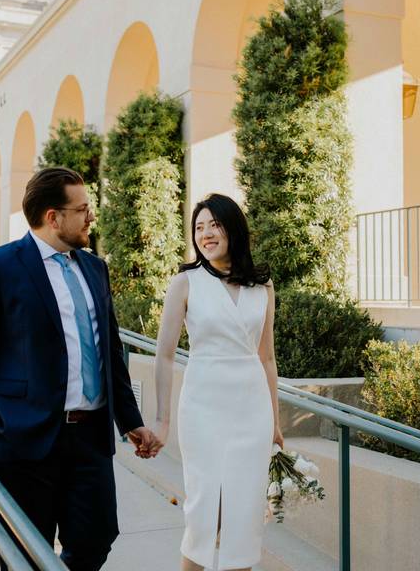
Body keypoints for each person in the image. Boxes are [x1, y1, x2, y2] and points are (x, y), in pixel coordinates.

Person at [0, 167, 157, 571]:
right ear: (53, 217)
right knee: (25, 556)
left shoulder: (94, 268)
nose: (90, 216)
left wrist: (129, 420)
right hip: (22, 441)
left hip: (90, 438)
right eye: (81, 209)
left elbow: (109, 350)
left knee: (97, 538)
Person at [150, 193, 283, 571]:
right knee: (205, 512)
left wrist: (274, 421)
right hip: (204, 407)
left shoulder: (263, 285)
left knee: (244, 516)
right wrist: (162, 418)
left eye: (214, 225)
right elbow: (164, 354)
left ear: (233, 229)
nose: (206, 234)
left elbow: (267, 357)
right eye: (199, 228)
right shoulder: (186, 282)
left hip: (251, 410)